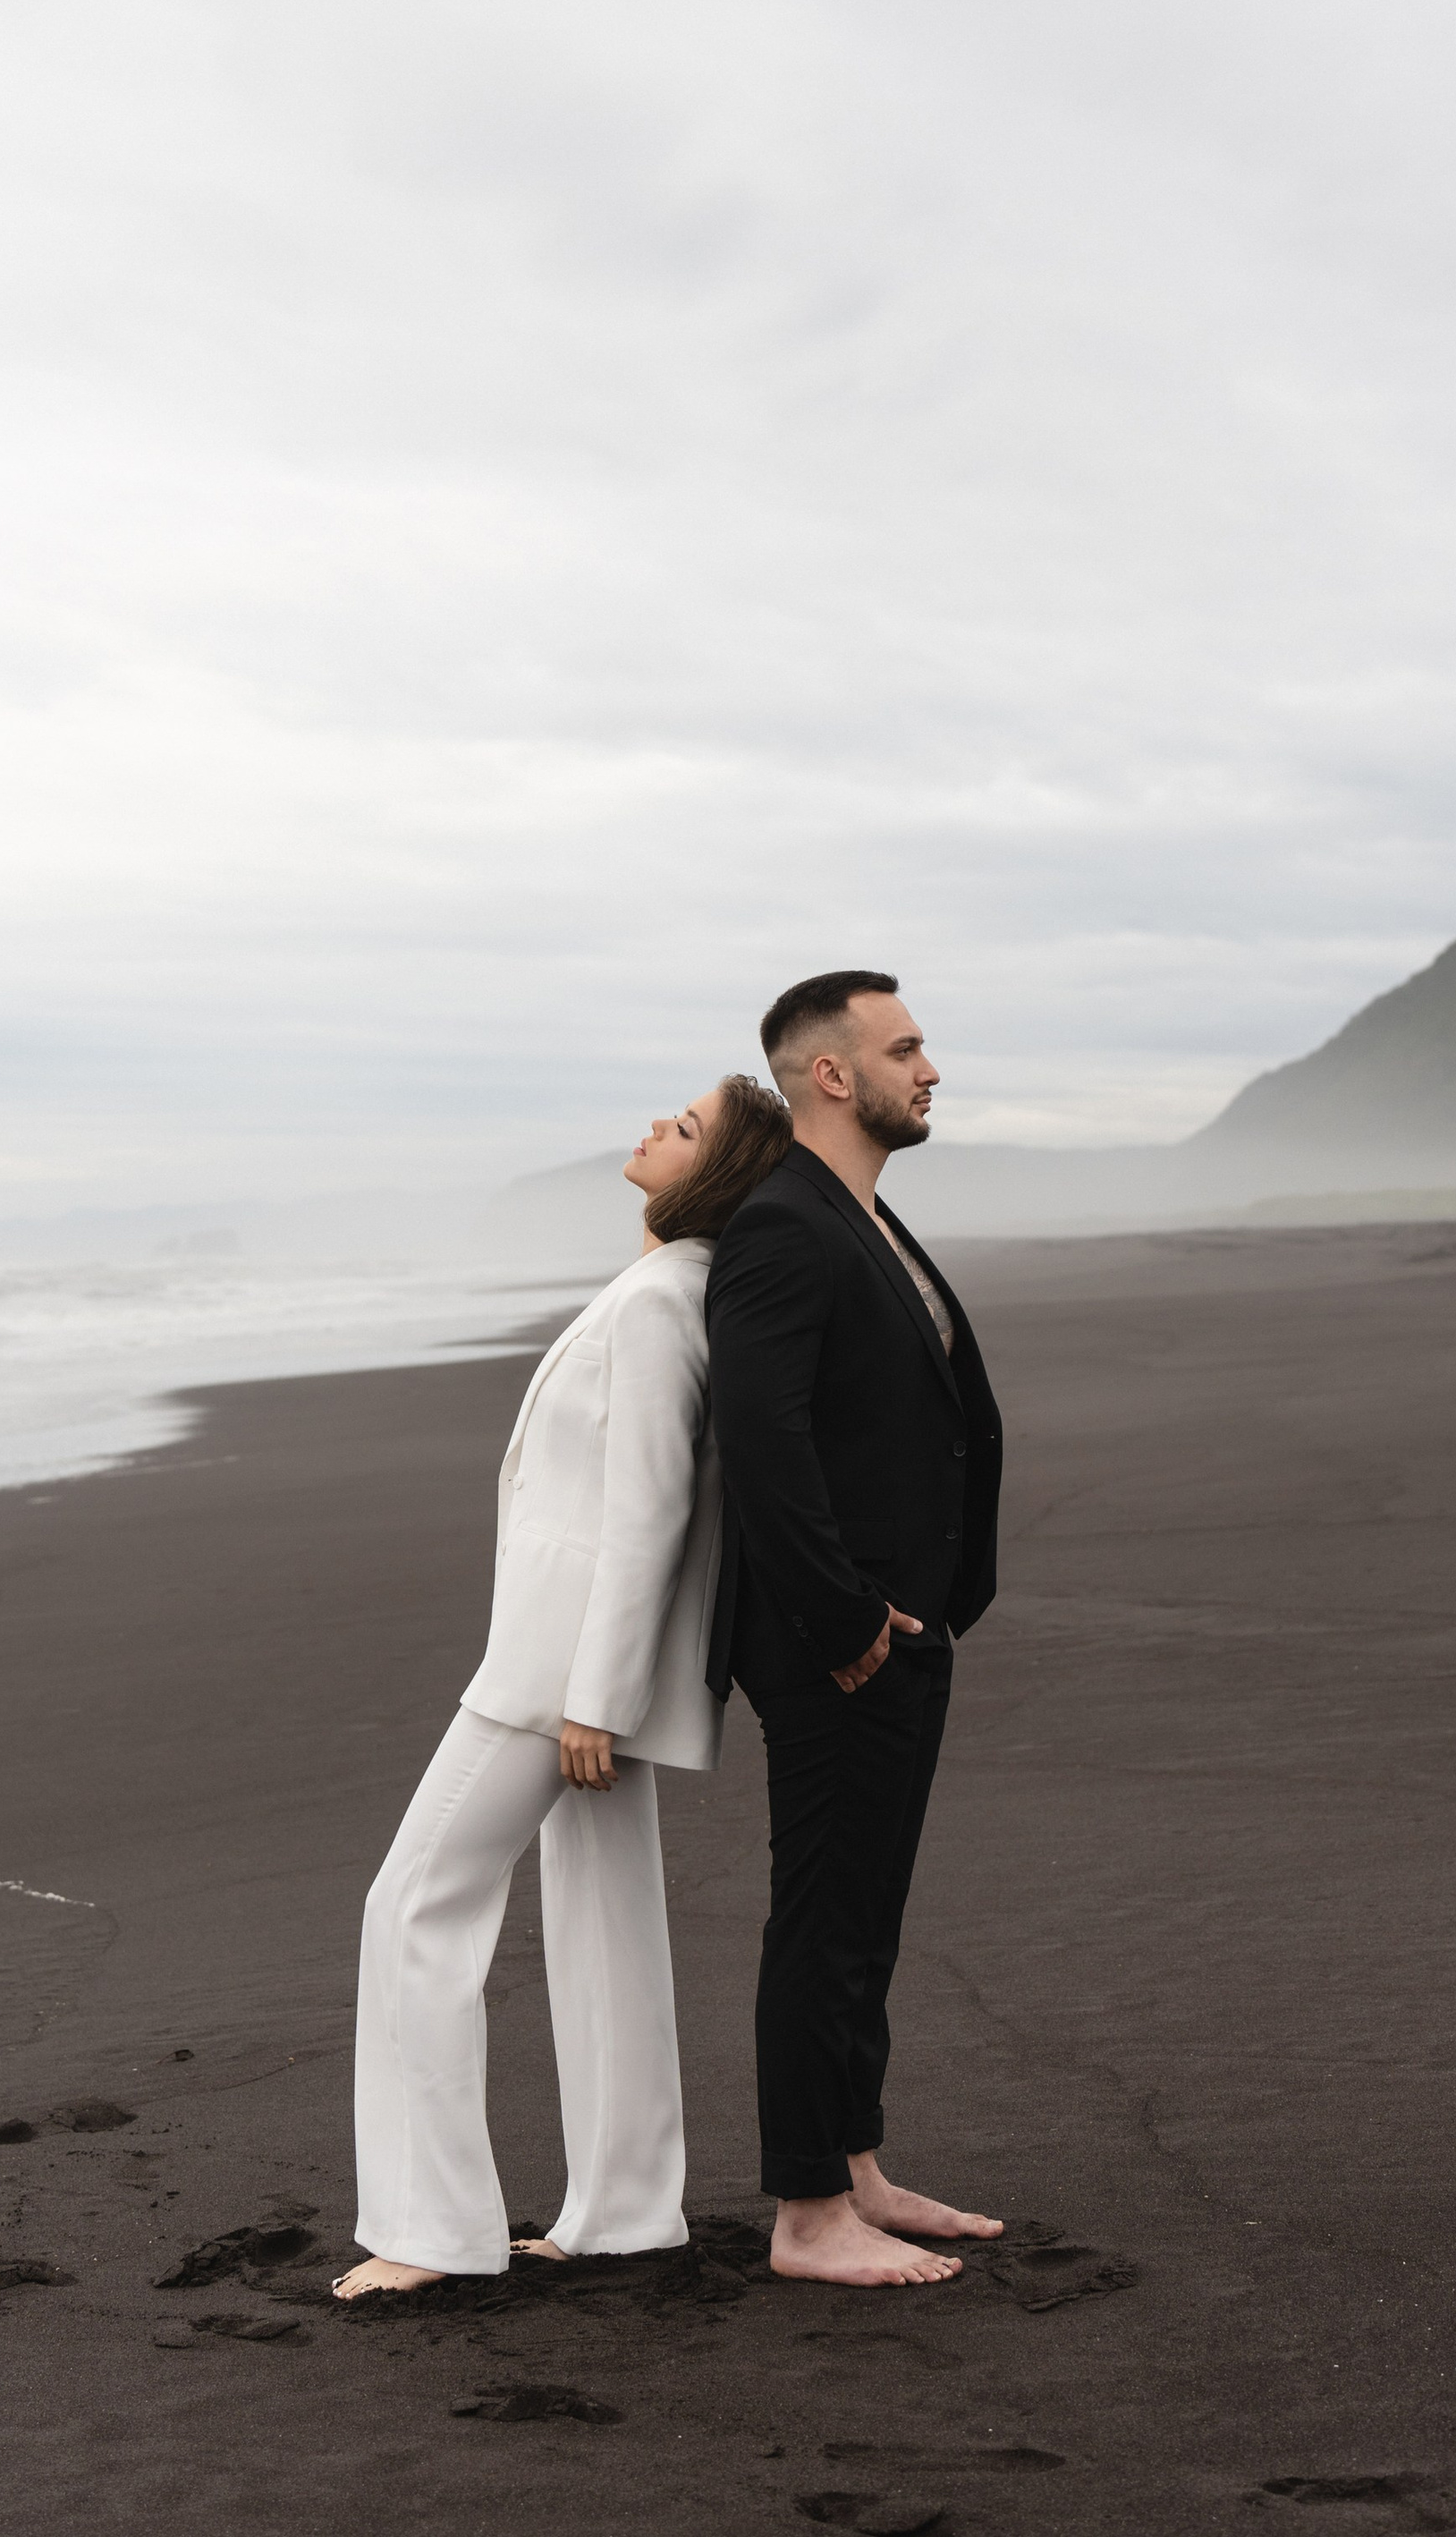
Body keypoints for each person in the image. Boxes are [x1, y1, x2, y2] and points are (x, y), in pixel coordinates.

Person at [334, 1070, 794, 2300]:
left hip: (560, 1671)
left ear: (715, 1176)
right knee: (605, 1926)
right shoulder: (676, 1290)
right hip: (591, 1662)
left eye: (685, 1127)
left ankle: (429, 2232)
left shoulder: (658, 1303)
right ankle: (629, 2211)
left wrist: (594, 1694)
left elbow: (651, 1510)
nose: (655, 1127)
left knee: (416, 1904)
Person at [706, 972, 1005, 2289]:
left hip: (902, 1621)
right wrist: (843, 1620)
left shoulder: (863, 1218)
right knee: (824, 1917)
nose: (929, 1068)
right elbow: (760, 1442)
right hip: (843, 1637)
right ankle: (806, 2215)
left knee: (866, 1915)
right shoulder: (785, 1228)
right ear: (831, 1075)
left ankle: (858, 2167)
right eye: (906, 1048)